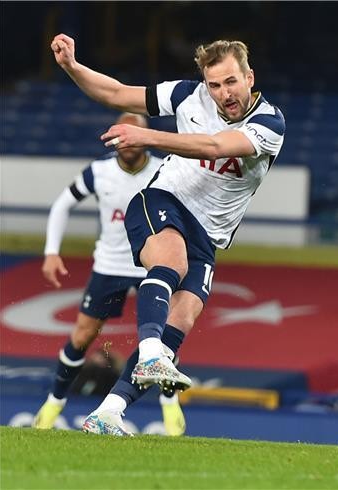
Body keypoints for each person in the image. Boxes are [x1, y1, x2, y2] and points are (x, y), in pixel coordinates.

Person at [51, 33, 285, 435]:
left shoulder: (269, 123)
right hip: (163, 200)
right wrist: (72, 67)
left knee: (182, 319)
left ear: (249, 77)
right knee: (170, 264)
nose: (223, 93)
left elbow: (214, 146)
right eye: (214, 85)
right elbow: (117, 93)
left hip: (208, 236)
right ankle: (148, 352)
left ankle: (108, 412)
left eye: (231, 81)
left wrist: (148, 136)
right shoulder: (186, 95)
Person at [32, 113, 187, 436]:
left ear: (145, 137)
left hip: (151, 263)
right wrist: (51, 252)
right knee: (83, 335)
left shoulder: (164, 169)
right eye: (120, 135)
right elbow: (62, 205)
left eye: (134, 134)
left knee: (163, 331)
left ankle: (170, 406)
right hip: (109, 265)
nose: (126, 142)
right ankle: (53, 402)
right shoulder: (99, 171)